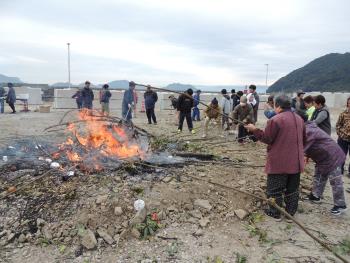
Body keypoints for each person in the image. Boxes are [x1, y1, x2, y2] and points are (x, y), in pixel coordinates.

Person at [245, 95, 305, 221]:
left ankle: (275, 213)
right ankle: (290, 214)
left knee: (275, 189)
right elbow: (305, 139)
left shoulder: (276, 119)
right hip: (296, 161)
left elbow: (267, 138)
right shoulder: (299, 119)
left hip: (280, 161)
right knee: (292, 189)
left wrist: (254, 129)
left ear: (277, 106)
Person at [296, 111, 347, 215]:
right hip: (322, 157)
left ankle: (340, 205)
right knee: (319, 176)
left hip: (332, 156)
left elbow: (302, 148)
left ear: (300, 120)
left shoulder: (309, 130)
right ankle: (316, 195)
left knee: (335, 181)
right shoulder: (306, 127)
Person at [336, 97, 350, 177]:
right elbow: (338, 125)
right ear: (347, 104)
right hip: (343, 139)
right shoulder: (343, 113)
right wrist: (340, 134)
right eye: (349, 103)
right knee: (341, 155)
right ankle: (340, 171)